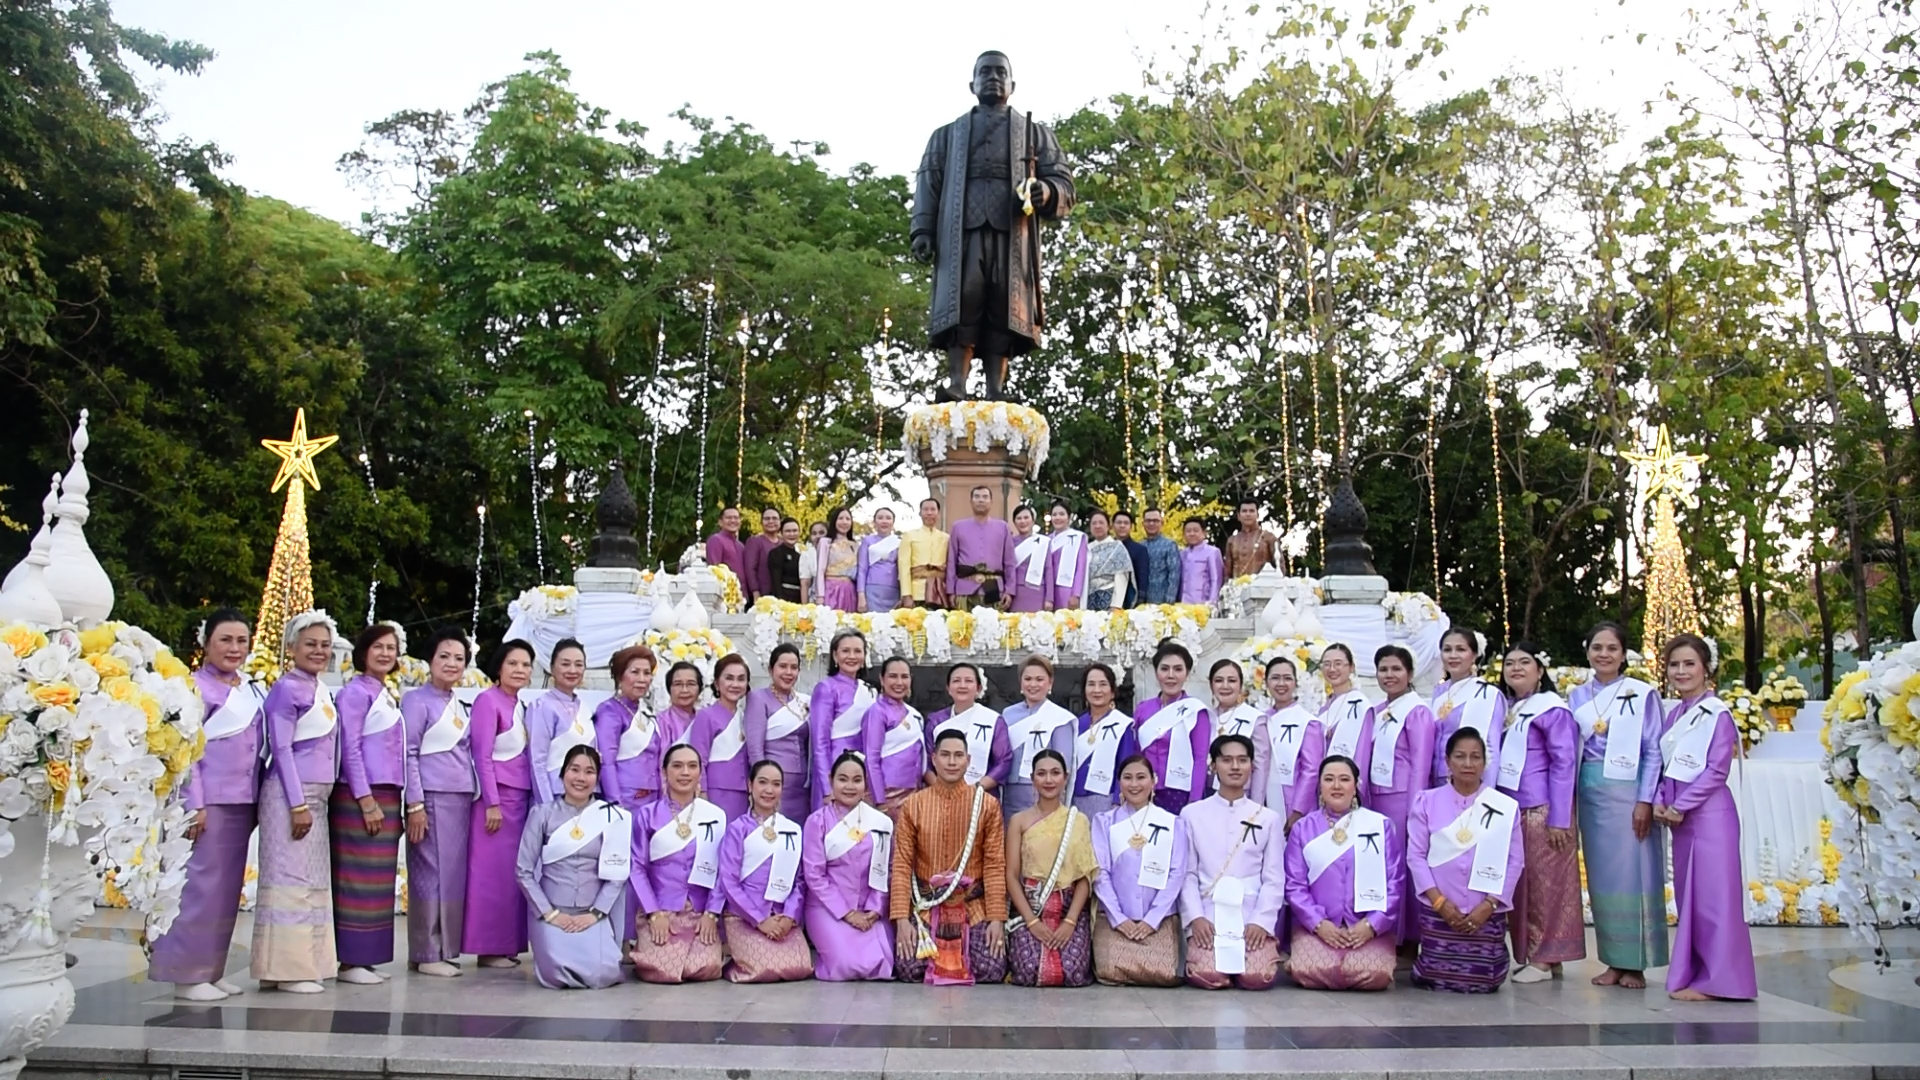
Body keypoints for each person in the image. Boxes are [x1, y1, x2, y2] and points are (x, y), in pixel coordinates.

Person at [911, 50, 1075, 402]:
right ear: (972, 84)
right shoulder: (947, 136)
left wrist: (1044, 190)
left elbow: (1062, 183)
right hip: (961, 232)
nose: (993, 77)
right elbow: (929, 182)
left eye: (1001, 72)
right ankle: (957, 383)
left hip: (1012, 231)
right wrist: (923, 230)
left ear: (1013, 84)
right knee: (963, 301)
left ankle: (997, 389)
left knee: (1005, 304)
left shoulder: (1035, 134)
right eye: (985, 71)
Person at [152, 609, 263, 1000]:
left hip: (241, 801)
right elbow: (186, 751)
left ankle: (210, 968)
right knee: (198, 887)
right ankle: (186, 974)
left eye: (241, 641)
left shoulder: (249, 690)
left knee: (226, 890)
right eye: (225, 640)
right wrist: (193, 803)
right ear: (206, 643)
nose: (234, 648)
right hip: (208, 801)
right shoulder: (193, 687)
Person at [1654, 633, 1756, 1001]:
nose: (1680, 671)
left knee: (1715, 900)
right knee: (1690, 899)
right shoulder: (1675, 714)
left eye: (1689, 664)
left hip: (1710, 817)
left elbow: (1716, 770)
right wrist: (1661, 801)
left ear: (1706, 669)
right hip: (1682, 821)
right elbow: (1667, 768)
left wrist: (1681, 805)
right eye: (1674, 665)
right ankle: (1695, 972)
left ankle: (1722, 981)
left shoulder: (1717, 714)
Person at [1572, 621, 1668, 991]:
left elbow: (1653, 749)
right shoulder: (1577, 696)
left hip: (1629, 793)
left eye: (1612, 648)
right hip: (1592, 794)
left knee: (1634, 875)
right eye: (1597, 647)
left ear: (1623, 654)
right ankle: (1613, 959)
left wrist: (1645, 799)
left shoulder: (1642, 693)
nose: (1604, 654)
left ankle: (1637, 963)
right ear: (1588, 651)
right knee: (1602, 879)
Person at [251, 610, 342, 994]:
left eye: (324, 645)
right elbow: (282, 749)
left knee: (311, 880)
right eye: (310, 644)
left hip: (317, 797)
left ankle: (299, 964)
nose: (319, 651)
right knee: (289, 879)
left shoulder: (319, 689)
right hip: (291, 795)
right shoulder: (286, 689)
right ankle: (288, 969)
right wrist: (296, 804)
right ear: (291, 648)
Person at [1409, 728, 1524, 993]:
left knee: (1483, 981)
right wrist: (1440, 903)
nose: (1468, 764)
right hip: (1439, 907)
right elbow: (1415, 856)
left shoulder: (1503, 807)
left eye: (1475, 757)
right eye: (1460, 756)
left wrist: (1489, 904)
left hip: (1485, 909)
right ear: (1447, 761)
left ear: (1485, 763)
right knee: (1436, 977)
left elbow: (1515, 860)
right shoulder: (1426, 802)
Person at [1494, 642, 1584, 983]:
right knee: (1525, 883)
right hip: (1515, 807)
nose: (1516, 668)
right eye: (1510, 663)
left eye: (1524, 662)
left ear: (1540, 670)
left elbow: (1564, 762)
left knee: (1547, 883)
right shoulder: (1512, 708)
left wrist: (1560, 816)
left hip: (1543, 807)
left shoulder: (1551, 709)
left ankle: (1547, 957)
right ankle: (1539, 953)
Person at [889, 729, 1009, 984]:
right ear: (934, 759)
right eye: (945, 755)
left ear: (968, 760)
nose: (951, 762)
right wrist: (901, 920)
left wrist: (997, 918)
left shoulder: (987, 805)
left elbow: (995, 865)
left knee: (991, 968)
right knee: (909, 969)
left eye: (958, 756)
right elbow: (901, 864)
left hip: (971, 906)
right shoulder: (914, 804)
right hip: (925, 906)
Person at [329, 621, 406, 985]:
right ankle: (350, 959)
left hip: (387, 794)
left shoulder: (384, 692)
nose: (385, 653)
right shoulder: (354, 693)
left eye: (391, 648)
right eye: (378, 647)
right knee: (357, 878)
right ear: (364, 651)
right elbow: (350, 748)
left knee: (377, 882)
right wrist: (365, 798)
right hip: (362, 795)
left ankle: (367, 956)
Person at [516, 745, 629, 990]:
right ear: (562, 774)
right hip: (552, 912)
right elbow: (523, 871)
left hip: (592, 912)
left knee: (604, 973)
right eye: (574, 770)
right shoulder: (542, 814)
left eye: (589, 772)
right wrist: (550, 914)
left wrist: (595, 914)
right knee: (557, 974)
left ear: (597, 779)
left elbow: (617, 876)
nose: (580, 778)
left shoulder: (611, 817)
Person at [1284, 755, 1400, 991]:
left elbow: (1394, 882)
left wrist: (1371, 925)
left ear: (1356, 786)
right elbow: (1294, 886)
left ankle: (1343, 968)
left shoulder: (1379, 826)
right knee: (1310, 969)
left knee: (1374, 974)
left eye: (1344, 779)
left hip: (1365, 925)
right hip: (1318, 926)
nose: (1336, 786)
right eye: (1329, 779)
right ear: (1319, 785)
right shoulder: (1302, 828)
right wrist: (1319, 923)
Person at [1179, 734, 1285, 990]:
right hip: (1208, 913)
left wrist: (1260, 921)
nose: (1235, 767)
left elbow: (1274, 878)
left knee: (1258, 977)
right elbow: (1187, 874)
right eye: (1226, 760)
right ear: (1213, 766)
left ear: (1252, 766)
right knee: (1209, 975)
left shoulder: (1268, 818)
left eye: (1242, 760)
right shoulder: (1192, 814)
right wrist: (1196, 917)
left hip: (1250, 913)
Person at [402, 627, 476, 977]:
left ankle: (444, 947)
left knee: (451, 876)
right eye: (444, 656)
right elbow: (409, 752)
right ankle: (427, 951)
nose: (451, 663)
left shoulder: (458, 703)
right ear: (430, 660)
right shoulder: (417, 701)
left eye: (458, 658)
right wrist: (414, 803)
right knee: (429, 874)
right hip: (430, 797)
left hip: (460, 798)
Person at [629, 744, 728, 984]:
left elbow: (723, 871)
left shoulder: (714, 815)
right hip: (662, 910)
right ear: (664, 772)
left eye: (692, 766)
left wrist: (712, 914)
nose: (685, 772)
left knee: (705, 968)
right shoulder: (647, 815)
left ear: (700, 773)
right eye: (677, 766)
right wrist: (653, 913)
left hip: (700, 912)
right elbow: (636, 867)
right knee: (661, 971)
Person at [464, 640, 535, 970]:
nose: (520, 670)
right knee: (490, 876)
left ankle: (507, 944)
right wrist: (491, 801)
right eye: (513, 664)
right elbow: (483, 755)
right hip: (496, 802)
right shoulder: (486, 701)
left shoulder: (519, 705)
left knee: (512, 876)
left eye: (526, 665)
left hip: (519, 800)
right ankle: (487, 946)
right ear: (499, 667)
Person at [1090, 754, 1189, 987]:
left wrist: (1152, 919)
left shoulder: (1173, 823)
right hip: (1115, 918)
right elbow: (1100, 872)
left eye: (1141, 777)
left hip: (1159, 918)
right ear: (1119, 783)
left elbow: (1177, 873)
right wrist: (1119, 918)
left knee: (1165, 973)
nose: (1134, 784)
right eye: (1128, 778)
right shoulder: (1104, 822)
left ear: (1154, 781)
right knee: (1109, 969)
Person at [1364, 645, 1437, 949]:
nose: (1389, 675)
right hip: (1377, 799)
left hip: (1401, 799)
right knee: (1382, 867)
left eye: (1396, 669)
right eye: (1383, 669)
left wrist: (1414, 811)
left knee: (1404, 867)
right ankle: (1384, 931)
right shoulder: (1379, 711)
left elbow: (1420, 763)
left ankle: (1408, 938)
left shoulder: (1417, 711)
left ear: (1409, 673)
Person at [1005, 750, 1098, 987]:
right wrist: (1032, 922)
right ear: (1032, 778)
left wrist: (1070, 922)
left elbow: (1085, 876)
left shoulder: (1078, 820)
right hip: (1031, 907)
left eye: (1055, 773)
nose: (1049, 780)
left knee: (1073, 972)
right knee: (1029, 970)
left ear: (1065, 777)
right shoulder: (1019, 821)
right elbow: (1012, 875)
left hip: (1069, 908)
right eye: (1042, 774)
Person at [803, 751, 896, 981]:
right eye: (842, 779)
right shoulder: (817, 821)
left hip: (870, 909)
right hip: (828, 909)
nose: (849, 786)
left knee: (884, 963)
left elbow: (887, 870)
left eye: (857, 780)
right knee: (847, 965)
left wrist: (875, 909)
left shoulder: (879, 822)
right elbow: (814, 875)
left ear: (865, 784)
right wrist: (847, 913)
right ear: (831, 780)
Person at [716, 761, 811, 982]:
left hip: (781, 916)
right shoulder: (737, 829)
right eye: (763, 782)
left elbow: (799, 881)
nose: (769, 790)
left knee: (799, 967)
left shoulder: (792, 830)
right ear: (750, 786)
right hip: (744, 916)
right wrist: (759, 919)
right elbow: (729, 881)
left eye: (776, 784)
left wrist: (789, 916)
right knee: (761, 970)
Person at [1126, 642, 1208, 813]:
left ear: (1187, 674)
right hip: (1144, 790)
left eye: (1178, 669)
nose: (1171, 675)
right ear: (1156, 672)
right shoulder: (1143, 709)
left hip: (1180, 793)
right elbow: (1136, 753)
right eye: (1165, 669)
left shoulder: (1195, 711)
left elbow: (1200, 759)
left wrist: (1195, 800)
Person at [1000, 655, 1079, 820]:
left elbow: (1064, 765)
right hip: (1011, 794)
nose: (1033, 684)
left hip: (1045, 793)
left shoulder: (1060, 718)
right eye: (1028, 679)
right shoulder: (1008, 714)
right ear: (1021, 683)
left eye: (1039, 679)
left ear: (1050, 683)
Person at [1251, 657, 1322, 834]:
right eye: (1275, 678)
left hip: (1294, 802)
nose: (1281, 683)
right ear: (1266, 682)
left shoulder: (1308, 723)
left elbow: (1311, 770)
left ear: (1296, 683)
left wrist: (1298, 811)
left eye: (1287, 678)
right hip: (1264, 799)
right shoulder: (1260, 719)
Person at [745, 644, 812, 821]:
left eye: (794, 667)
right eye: (783, 666)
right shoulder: (758, 698)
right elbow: (754, 748)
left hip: (803, 786)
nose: (788, 672)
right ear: (770, 669)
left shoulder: (804, 701)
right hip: (774, 784)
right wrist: (763, 783)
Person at [1429, 627, 1503, 786]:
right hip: (1434, 783)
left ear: (1474, 655)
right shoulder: (1437, 692)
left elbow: (1491, 749)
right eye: (1447, 650)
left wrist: (1485, 793)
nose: (1453, 655)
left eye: (1461, 649)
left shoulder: (1486, 694)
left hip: (1467, 782)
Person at [925, 662, 1011, 795]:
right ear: (948, 688)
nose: (962, 685)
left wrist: (977, 788)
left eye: (969, 681)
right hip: (941, 795)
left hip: (982, 794)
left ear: (978, 688)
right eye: (956, 681)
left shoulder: (993, 720)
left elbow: (1004, 761)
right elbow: (926, 761)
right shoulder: (935, 721)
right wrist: (941, 789)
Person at [594, 645, 663, 811]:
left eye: (647, 673)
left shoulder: (645, 711)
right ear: (620, 676)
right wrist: (615, 803)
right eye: (635, 672)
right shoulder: (610, 711)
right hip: (625, 799)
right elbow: (606, 762)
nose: (642, 679)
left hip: (653, 798)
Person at [810, 630, 874, 808]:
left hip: (861, 771)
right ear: (835, 655)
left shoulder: (869, 690)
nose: (852, 656)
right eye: (846, 651)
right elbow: (819, 741)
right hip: (834, 767)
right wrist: (826, 786)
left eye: (857, 651)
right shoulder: (826, 688)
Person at [684, 654, 753, 818]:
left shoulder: (747, 716)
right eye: (729, 678)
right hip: (716, 792)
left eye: (741, 679)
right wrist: (702, 792)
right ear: (716, 683)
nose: (735, 684)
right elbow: (698, 759)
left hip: (744, 794)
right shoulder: (706, 716)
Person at [528, 638, 593, 803]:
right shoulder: (542, 706)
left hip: (583, 797)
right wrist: (547, 806)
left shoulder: (585, 708)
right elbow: (537, 761)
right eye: (565, 664)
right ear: (552, 668)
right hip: (555, 796)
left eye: (578, 664)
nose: (572, 670)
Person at [865, 656, 927, 816]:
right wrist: (880, 801)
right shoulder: (877, 712)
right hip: (888, 793)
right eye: (893, 676)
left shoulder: (914, 714)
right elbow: (871, 758)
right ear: (882, 679)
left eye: (904, 677)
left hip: (914, 792)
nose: (899, 682)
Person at [1070, 663, 1128, 817]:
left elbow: (1126, 766)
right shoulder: (1076, 723)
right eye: (1091, 684)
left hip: (1107, 800)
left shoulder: (1123, 724)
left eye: (1103, 684)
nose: (1096, 690)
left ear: (1112, 691)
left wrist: (1118, 801)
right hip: (1075, 800)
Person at [947, 485, 1018, 611]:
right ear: (970, 501)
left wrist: (1010, 590)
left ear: (991, 502)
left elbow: (1009, 562)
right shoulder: (958, 527)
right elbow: (951, 561)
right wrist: (951, 591)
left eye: (985, 497)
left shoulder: (1002, 527)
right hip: (965, 588)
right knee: (964, 628)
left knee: (992, 628)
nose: (981, 500)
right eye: (977, 497)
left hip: (994, 586)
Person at [1319, 644, 1374, 767]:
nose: (1332, 669)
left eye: (1338, 663)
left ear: (1351, 667)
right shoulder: (1324, 705)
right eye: (1327, 664)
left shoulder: (1360, 705)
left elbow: (1363, 753)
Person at [899, 497, 951, 609]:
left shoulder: (946, 538)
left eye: (933, 509)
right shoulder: (909, 536)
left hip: (940, 591)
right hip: (917, 592)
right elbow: (904, 567)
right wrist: (906, 594)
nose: (929, 513)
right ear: (920, 513)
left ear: (938, 513)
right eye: (925, 509)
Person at [1081, 511, 1132, 611]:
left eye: (1101, 523)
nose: (1097, 526)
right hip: (1089, 597)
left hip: (1109, 596)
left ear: (1109, 526)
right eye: (1094, 523)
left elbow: (1121, 578)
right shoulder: (1087, 549)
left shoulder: (1117, 547)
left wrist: (1116, 604)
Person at [856, 507, 903, 613]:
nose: (884, 521)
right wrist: (861, 595)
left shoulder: (899, 542)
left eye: (888, 518)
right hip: (872, 590)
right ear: (874, 522)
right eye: (880, 518)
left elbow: (902, 570)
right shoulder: (867, 541)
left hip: (893, 590)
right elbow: (862, 570)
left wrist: (903, 594)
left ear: (893, 522)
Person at [1043, 501, 1088, 611]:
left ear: (1068, 517)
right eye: (1054, 515)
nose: (1058, 517)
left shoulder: (1078, 537)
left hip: (1067, 590)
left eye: (1062, 514)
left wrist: (1076, 594)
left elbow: (1080, 568)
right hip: (1047, 591)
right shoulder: (1046, 540)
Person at [1207, 658, 1263, 745]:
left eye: (1232, 681)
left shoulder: (1256, 719)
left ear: (1240, 685)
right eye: (1219, 680)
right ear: (1211, 685)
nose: (1225, 686)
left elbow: (1261, 757)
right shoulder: (1205, 717)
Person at [1007, 503, 1048, 613]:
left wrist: (1050, 598)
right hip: (1016, 592)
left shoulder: (1044, 542)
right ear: (1014, 522)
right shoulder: (1009, 542)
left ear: (1033, 520)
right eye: (1019, 518)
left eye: (1026, 518)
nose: (1023, 521)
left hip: (1037, 592)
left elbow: (1048, 570)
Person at [1137, 509, 1182, 605]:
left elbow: (1174, 573)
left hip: (1163, 600)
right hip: (1141, 601)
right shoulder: (1139, 546)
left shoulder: (1169, 545)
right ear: (1143, 523)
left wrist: (1170, 597)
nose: (1151, 523)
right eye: (1148, 521)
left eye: (1155, 521)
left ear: (1162, 523)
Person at [820, 506, 860, 612]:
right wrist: (820, 595)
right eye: (841, 518)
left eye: (848, 519)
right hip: (830, 589)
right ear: (834, 521)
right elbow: (820, 570)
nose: (844, 522)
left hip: (849, 591)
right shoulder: (826, 542)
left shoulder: (855, 545)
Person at [1225, 500, 1277, 579]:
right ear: (1239, 516)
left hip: (1263, 587)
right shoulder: (1232, 541)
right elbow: (1227, 572)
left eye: (1252, 511)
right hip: (1237, 588)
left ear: (1257, 515)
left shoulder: (1268, 537)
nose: (1248, 514)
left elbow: (1280, 567)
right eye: (1244, 511)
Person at [1178, 520, 1225, 606]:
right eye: (1188, 531)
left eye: (1196, 530)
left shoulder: (1212, 552)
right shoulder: (1182, 554)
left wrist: (1212, 603)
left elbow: (1216, 580)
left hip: (1203, 603)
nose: (1192, 534)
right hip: (1182, 603)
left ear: (1204, 533)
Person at [743, 508, 782, 603]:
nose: (771, 521)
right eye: (767, 519)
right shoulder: (755, 541)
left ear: (780, 521)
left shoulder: (783, 543)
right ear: (761, 522)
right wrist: (755, 591)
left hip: (782, 593)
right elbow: (750, 568)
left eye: (774, 518)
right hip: (762, 593)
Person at [657, 661, 701, 745]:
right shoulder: (661, 722)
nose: (684, 690)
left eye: (691, 684)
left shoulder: (705, 719)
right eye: (678, 684)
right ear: (669, 689)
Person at [706, 506, 748, 589]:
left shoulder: (741, 546)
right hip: (725, 593)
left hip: (742, 595)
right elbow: (714, 569)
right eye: (728, 518)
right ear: (720, 522)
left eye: (736, 518)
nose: (732, 521)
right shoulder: (716, 540)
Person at [1114, 512, 1146, 608]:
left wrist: (1141, 599)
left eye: (1126, 523)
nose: (1122, 526)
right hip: (1109, 597)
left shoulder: (1139, 549)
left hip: (1130, 597)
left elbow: (1142, 575)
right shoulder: (1108, 547)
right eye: (1119, 522)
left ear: (1131, 527)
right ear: (1112, 526)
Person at [768, 517, 804, 603]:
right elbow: (776, 581)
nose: (792, 534)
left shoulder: (801, 554)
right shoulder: (776, 553)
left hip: (800, 597)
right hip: (785, 598)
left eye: (795, 531)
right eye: (788, 531)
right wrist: (781, 602)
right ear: (781, 534)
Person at [800, 521, 827, 603]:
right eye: (814, 533)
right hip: (816, 598)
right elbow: (805, 583)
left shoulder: (834, 550)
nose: (818, 536)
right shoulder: (807, 554)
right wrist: (805, 607)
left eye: (821, 533)